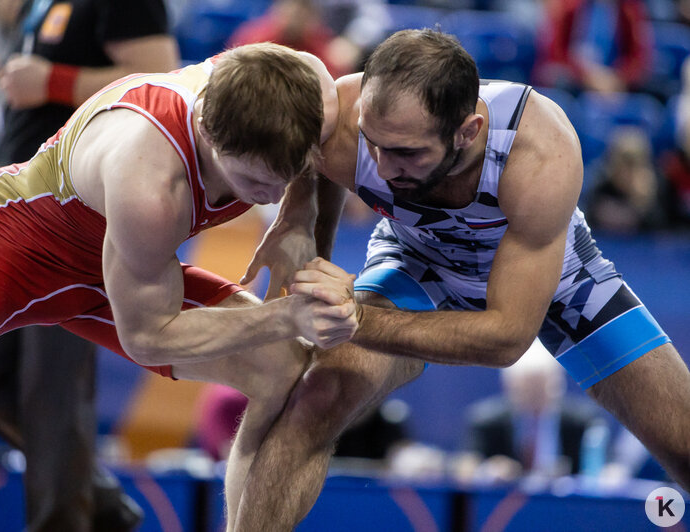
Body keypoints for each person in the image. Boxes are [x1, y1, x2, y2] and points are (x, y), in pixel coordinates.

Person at [234, 29, 690, 530]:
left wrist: (353, 318)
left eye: (408, 153)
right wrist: (297, 219)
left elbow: (505, 339)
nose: (383, 169)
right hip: (416, 257)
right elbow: (312, 153)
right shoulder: (339, 115)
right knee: (315, 397)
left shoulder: (540, 151)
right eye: (373, 143)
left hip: (557, 278)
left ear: (467, 132)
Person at [0, 42, 357, 532]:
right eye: (253, 183)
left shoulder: (311, 92)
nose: (268, 196)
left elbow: (319, 158)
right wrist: (286, 317)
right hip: (16, 246)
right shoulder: (151, 180)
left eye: (284, 179)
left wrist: (297, 216)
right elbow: (146, 337)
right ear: (208, 132)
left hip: (132, 264)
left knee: (290, 375)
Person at [0, 0, 181, 529]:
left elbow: (159, 79)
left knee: (51, 391)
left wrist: (54, 82)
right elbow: (27, 116)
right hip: (16, 207)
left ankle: (71, 513)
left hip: (73, 211)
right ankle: (96, 496)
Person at [462, 339, 607, 481]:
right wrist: (488, 470)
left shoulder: (583, 422)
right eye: (528, 390)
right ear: (511, 388)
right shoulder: (486, 423)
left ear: (557, 385)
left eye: (541, 389)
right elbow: (467, 468)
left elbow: (605, 471)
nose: (535, 399)